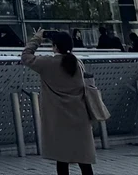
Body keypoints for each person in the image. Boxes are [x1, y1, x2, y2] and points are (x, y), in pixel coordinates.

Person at [21, 31, 105, 175]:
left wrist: (37, 39)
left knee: (62, 160)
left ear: (54, 47)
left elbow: (26, 56)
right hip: (80, 116)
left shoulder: (47, 63)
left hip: (58, 118)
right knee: (84, 160)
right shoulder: (77, 63)